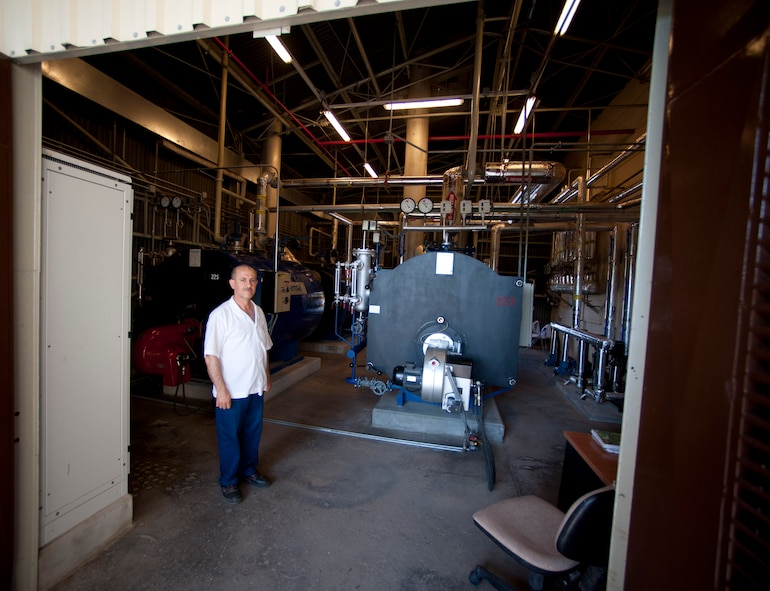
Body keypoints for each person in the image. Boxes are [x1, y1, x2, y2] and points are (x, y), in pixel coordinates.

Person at [204, 264, 273, 504]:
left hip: (255, 387)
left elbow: (263, 348)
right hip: (231, 391)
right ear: (232, 284)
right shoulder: (221, 315)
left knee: (252, 434)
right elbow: (211, 355)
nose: (248, 284)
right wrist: (220, 389)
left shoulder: (259, 312)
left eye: (252, 280)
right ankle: (229, 481)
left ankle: (249, 471)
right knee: (230, 437)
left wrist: (266, 376)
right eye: (243, 279)